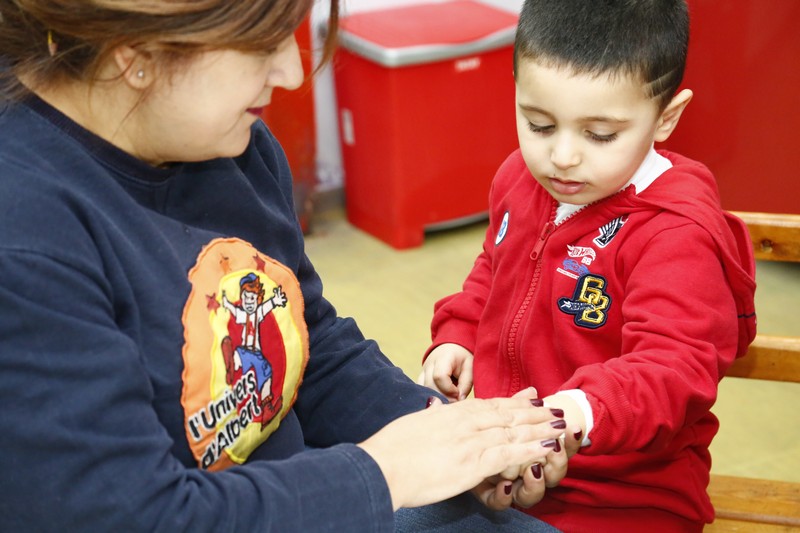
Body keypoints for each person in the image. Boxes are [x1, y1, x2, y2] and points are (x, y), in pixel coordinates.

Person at [0, 1, 568, 531]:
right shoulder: (26, 235)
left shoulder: (229, 146)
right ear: (136, 54)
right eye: (263, 43)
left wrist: (458, 438)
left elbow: (308, 344)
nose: (290, 75)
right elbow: (134, 513)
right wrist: (385, 472)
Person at [418, 0, 757, 531]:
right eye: (539, 123)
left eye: (599, 135)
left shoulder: (675, 233)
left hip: (627, 496)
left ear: (666, 117)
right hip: (505, 463)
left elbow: (674, 368)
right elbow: (493, 268)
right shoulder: (517, 180)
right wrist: (457, 335)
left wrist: (573, 415)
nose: (563, 157)